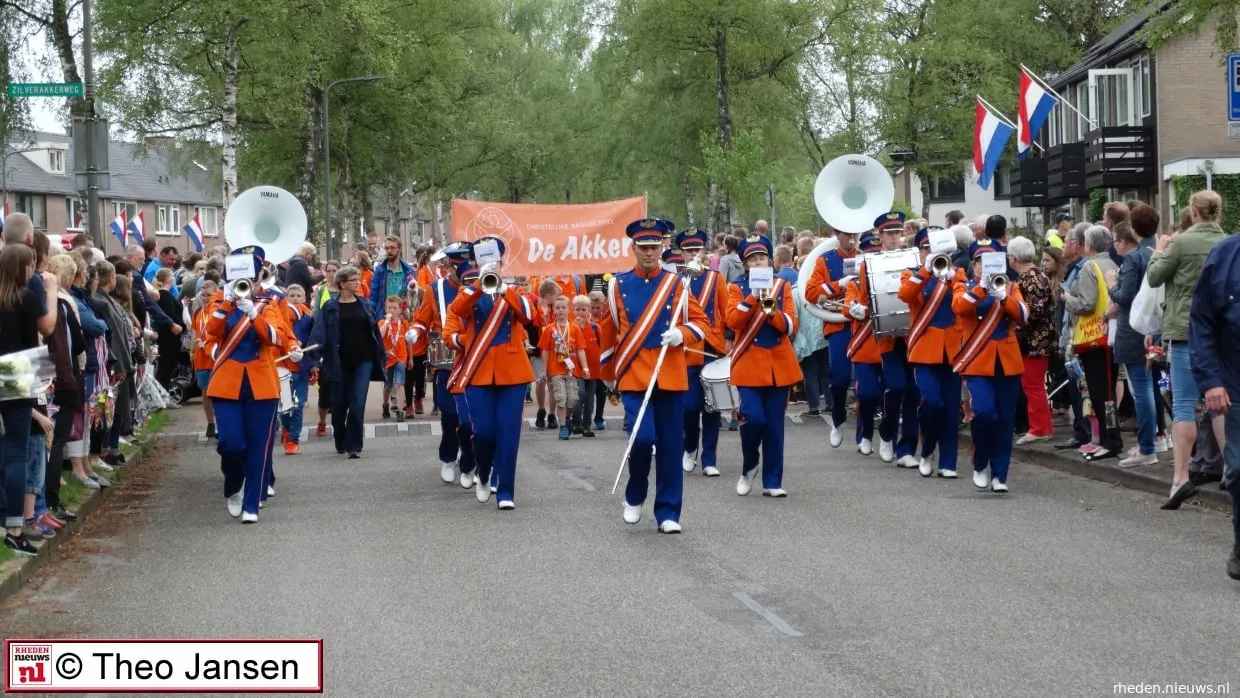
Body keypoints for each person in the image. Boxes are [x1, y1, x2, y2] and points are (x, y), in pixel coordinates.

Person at [599, 219, 709, 533]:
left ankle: (668, 512)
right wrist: (609, 377)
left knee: (672, 444)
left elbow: (702, 324)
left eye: (654, 247)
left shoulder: (677, 284)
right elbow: (610, 333)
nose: (649, 253)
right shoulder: (616, 285)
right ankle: (634, 495)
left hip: (670, 372)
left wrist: (682, 334)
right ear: (633, 248)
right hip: (634, 375)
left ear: (662, 247)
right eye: (643, 248)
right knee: (642, 439)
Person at [205, 246, 303, 523]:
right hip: (226, 383)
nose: (249, 284)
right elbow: (209, 332)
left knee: (259, 444)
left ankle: (252, 505)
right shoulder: (218, 301)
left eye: (253, 278)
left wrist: (253, 314)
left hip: (261, 382)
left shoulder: (268, 304)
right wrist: (227, 303)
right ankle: (234, 486)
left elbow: (275, 336)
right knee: (230, 443)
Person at [1147, 190, 1228, 509]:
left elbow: (1154, 277)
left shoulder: (1182, 242)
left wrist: (1160, 251)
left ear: (1194, 211)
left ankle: (1180, 478)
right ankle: (1229, 471)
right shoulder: (1228, 242)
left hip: (1185, 328)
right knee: (1219, 402)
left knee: (1183, 403)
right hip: (1221, 330)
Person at [446, 236, 536, 510]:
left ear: (501, 261)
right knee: (482, 432)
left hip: (513, 373)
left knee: (509, 434)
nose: (489, 265)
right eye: (484, 260)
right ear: (475, 262)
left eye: (494, 260)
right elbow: (458, 310)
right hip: (479, 371)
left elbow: (529, 317)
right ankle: (483, 473)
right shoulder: (467, 292)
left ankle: (506, 491)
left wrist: (503, 288)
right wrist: (479, 284)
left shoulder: (515, 291)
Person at [725, 234, 801, 497]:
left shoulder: (782, 286)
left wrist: (771, 309)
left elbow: (791, 326)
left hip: (779, 365)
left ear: (769, 260)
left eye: (762, 257)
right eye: (752, 259)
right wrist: (752, 299)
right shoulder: (736, 288)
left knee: (774, 426)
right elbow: (732, 321)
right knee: (753, 419)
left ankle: (772, 481)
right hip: (748, 365)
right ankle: (749, 467)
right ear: (746, 264)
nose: (758, 262)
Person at [952, 239, 1027, 493]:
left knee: (1005, 421)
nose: (985, 266)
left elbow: (1024, 315)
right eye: (980, 262)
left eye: (991, 261)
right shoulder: (964, 286)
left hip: (1007, 364)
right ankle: (980, 461)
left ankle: (1000, 476)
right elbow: (960, 308)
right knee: (984, 413)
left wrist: (1004, 298)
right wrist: (982, 289)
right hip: (977, 363)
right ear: (974, 266)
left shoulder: (1011, 286)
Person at [1188, 229, 1240, 580]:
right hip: (1235, 386)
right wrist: (1211, 381)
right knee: (1238, 470)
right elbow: (1202, 322)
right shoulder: (1224, 256)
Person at [898, 226, 966, 477]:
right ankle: (926, 450)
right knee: (931, 403)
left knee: (950, 408)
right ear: (920, 251)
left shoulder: (957, 273)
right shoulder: (912, 274)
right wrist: (927, 270)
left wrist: (952, 279)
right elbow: (905, 295)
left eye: (935, 249)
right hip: (924, 351)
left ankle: (948, 463)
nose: (931, 252)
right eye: (927, 248)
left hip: (952, 350)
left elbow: (963, 303)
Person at [853, 212, 920, 467]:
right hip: (888, 338)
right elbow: (865, 299)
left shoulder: (913, 259)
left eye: (897, 233)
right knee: (896, 386)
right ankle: (887, 434)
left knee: (914, 392)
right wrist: (860, 309)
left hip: (913, 336)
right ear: (879, 235)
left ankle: (907, 450)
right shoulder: (867, 264)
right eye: (889, 233)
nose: (894, 238)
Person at [410, 242, 476, 486]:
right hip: (445, 360)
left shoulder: (479, 286)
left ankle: (470, 460)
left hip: (475, 358)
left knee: (471, 418)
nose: (462, 272)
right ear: (449, 267)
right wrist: (415, 332)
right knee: (449, 415)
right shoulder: (434, 288)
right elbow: (422, 320)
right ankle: (448, 457)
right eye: (458, 267)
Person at [308, 264, 386, 459]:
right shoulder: (330, 308)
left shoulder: (366, 305)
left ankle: (354, 446)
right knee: (340, 404)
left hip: (364, 360)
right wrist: (313, 360)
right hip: (338, 361)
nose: (357, 282)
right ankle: (341, 439)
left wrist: (380, 355)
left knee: (358, 403)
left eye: (358, 279)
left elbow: (374, 332)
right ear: (342, 284)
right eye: (353, 280)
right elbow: (319, 334)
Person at [0, 245, 46, 555]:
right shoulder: (25, 298)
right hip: (17, 372)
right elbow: (34, 344)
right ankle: (15, 527)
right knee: (18, 451)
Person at [805, 223, 862, 449]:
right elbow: (810, 293)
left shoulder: (866, 257)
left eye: (854, 233)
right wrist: (838, 285)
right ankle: (838, 421)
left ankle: (863, 434)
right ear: (838, 235)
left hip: (863, 324)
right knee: (838, 379)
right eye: (847, 233)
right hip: (838, 325)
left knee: (865, 384)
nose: (851, 238)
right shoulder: (825, 260)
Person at [676, 229, 727, 476]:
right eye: (689, 250)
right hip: (686, 350)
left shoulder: (715, 279)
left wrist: (729, 345)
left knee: (712, 407)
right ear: (682, 253)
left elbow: (726, 314)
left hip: (712, 348)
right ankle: (689, 448)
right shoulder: (675, 279)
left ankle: (709, 458)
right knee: (689, 406)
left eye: (697, 249)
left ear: (704, 252)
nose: (693, 254)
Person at [1009, 236, 1055, 446]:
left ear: (1014, 258)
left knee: (1032, 385)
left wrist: (1014, 316)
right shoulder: (1038, 274)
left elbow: (1033, 311)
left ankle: (1039, 428)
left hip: (1035, 340)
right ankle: (1041, 426)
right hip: (1039, 338)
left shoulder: (1029, 279)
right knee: (1033, 385)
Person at [842, 231, 884, 454]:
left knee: (890, 394)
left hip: (889, 346)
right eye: (870, 255)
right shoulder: (855, 283)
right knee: (866, 395)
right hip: (865, 348)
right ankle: (865, 433)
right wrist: (854, 308)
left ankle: (886, 437)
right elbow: (849, 307)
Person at [539, 295, 589, 440]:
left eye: (563, 308)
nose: (560, 311)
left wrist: (585, 367)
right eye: (557, 308)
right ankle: (563, 427)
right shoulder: (549, 329)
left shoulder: (575, 328)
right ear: (553, 310)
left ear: (569, 309)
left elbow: (580, 349)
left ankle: (567, 419)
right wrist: (544, 370)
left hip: (572, 370)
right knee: (561, 398)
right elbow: (546, 351)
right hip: (556, 370)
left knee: (572, 399)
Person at [279, 284, 314, 455]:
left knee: (298, 404)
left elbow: (314, 340)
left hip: (301, 367)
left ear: (304, 298)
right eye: (291, 295)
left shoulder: (308, 317)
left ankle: (293, 439)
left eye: (298, 295)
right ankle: (286, 427)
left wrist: (313, 364)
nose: (295, 298)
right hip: (284, 366)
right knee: (285, 404)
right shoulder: (281, 315)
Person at [379, 295, 410, 421]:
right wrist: (386, 322)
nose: (391, 310)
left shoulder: (403, 323)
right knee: (388, 385)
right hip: (388, 359)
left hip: (401, 357)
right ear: (385, 309)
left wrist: (411, 358)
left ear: (399, 310)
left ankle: (400, 410)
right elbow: (380, 335)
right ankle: (385, 404)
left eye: (394, 308)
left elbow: (409, 342)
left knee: (399, 383)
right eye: (389, 307)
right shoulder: (382, 323)